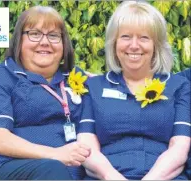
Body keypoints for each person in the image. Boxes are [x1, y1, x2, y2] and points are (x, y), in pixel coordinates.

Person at [0, 6, 91, 180]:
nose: (45, 42)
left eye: (54, 36)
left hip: (72, 172)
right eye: (35, 34)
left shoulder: (76, 77)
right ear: (19, 40)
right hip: (12, 168)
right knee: (51, 170)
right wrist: (55, 154)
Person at [77, 1, 191, 180]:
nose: (134, 45)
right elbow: (86, 146)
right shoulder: (94, 87)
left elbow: (180, 147)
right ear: (114, 43)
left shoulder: (178, 86)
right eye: (126, 37)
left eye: (144, 38)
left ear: (156, 45)